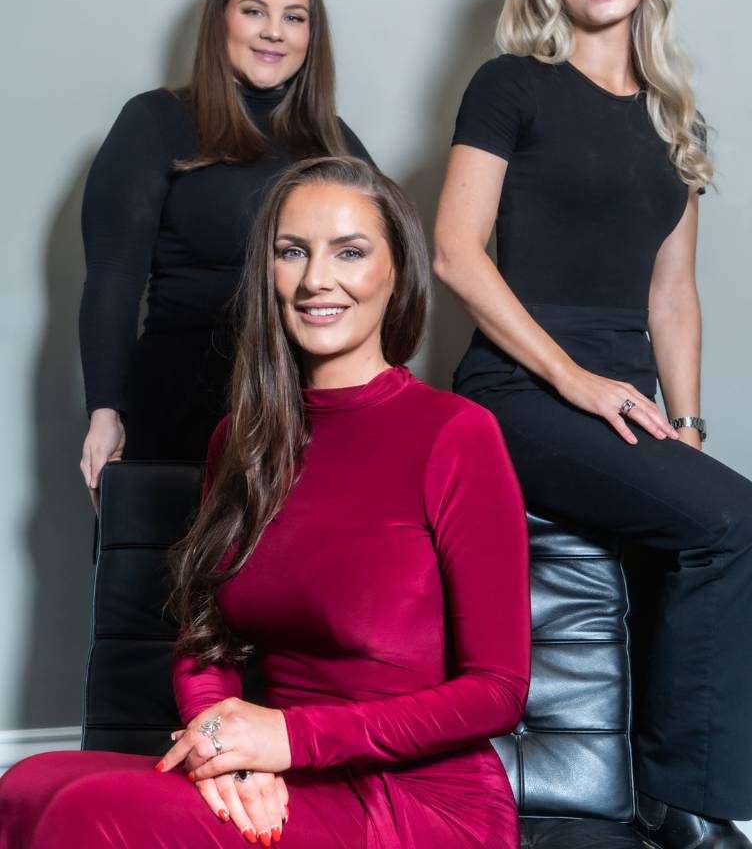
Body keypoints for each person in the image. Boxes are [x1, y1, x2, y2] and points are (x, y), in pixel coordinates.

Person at [1, 156, 531, 848]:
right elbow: (204, 638)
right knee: (26, 783)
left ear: (397, 271)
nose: (317, 279)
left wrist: (287, 737)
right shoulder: (241, 439)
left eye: (350, 251)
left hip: (421, 800)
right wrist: (224, 755)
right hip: (275, 776)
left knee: (87, 812)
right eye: (292, 252)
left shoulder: (455, 434)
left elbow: (497, 689)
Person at [433, 0, 752, 849]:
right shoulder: (510, 86)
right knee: (745, 522)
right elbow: (453, 250)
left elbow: (672, 294)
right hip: (519, 387)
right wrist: (573, 380)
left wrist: (690, 427)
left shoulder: (675, 120)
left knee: (717, 512)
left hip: (624, 398)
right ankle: (686, 806)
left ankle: (667, 793)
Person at [79, 0, 371, 499]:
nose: (273, 32)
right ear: (221, 21)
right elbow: (113, 277)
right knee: (175, 583)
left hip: (304, 406)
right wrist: (105, 411)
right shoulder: (155, 121)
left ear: (311, 36)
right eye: (254, 11)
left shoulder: (334, 143)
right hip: (186, 400)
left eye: (294, 17)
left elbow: (387, 276)